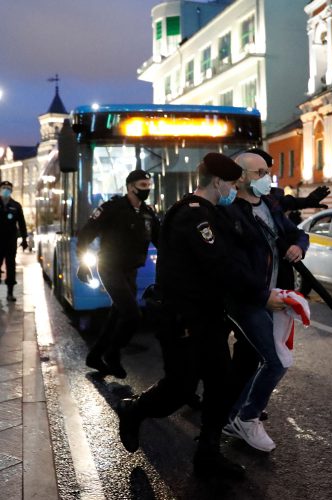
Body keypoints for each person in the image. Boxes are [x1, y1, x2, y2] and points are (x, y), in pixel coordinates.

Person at [115, 153, 271, 480]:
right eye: (230, 183)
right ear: (217, 182)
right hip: (182, 318)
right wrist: (262, 293)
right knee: (180, 388)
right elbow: (221, 265)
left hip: (210, 317)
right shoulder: (192, 215)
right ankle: (134, 409)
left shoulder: (214, 212)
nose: (232, 189)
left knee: (219, 383)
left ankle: (208, 454)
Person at [222, 152, 309, 453]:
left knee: (251, 359)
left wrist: (299, 245)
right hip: (250, 300)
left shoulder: (269, 206)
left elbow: (295, 232)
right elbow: (232, 267)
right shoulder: (231, 212)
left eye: (267, 172)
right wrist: (262, 296)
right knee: (276, 360)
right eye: (259, 172)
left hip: (276, 294)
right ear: (242, 176)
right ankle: (247, 418)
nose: (266, 178)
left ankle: (234, 413)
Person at [77, 170, 160, 378]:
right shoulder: (112, 208)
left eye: (149, 185)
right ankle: (113, 354)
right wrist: (83, 262)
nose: (147, 189)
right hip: (110, 268)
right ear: (130, 187)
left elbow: (162, 241)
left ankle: (95, 355)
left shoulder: (147, 213)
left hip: (131, 271)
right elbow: (86, 233)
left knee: (117, 316)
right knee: (132, 315)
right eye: (142, 186)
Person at [245, 148, 331, 212]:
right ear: (244, 174)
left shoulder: (271, 200)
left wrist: (307, 201)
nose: (267, 179)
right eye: (262, 173)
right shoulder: (235, 210)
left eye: (268, 174)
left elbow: (286, 203)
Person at [0, 181, 28, 301]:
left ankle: (10, 293)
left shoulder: (16, 206)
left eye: (8, 188)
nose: (6, 190)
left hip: (10, 241)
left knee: (11, 266)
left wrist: (25, 239)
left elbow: (22, 223)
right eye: (4, 188)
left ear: (11, 191)